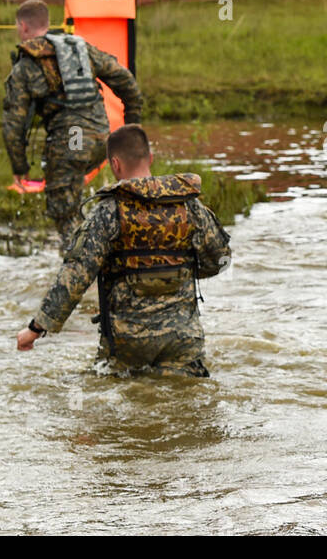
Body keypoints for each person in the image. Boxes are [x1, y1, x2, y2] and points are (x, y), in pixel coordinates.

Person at [15, 124, 231, 377]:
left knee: (114, 401)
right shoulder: (189, 206)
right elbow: (220, 259)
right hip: (182, 340)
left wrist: (36, 328)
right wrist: (179, 271)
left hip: (127, 344)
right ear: (150, 158)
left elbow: (74, 278)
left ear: (115, 164)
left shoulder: (108, 212)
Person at [2, 0, 143, 254]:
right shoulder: (80, 48)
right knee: (76, 201)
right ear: (46, 23)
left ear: (22, 26)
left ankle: (82, 278)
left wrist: (19, 167)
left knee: (65, 217)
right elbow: (127, 81)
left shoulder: (25, 65)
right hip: (102, 143)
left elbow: (14, 123)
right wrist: (132, 129)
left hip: (69, 146)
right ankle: (110, 249)